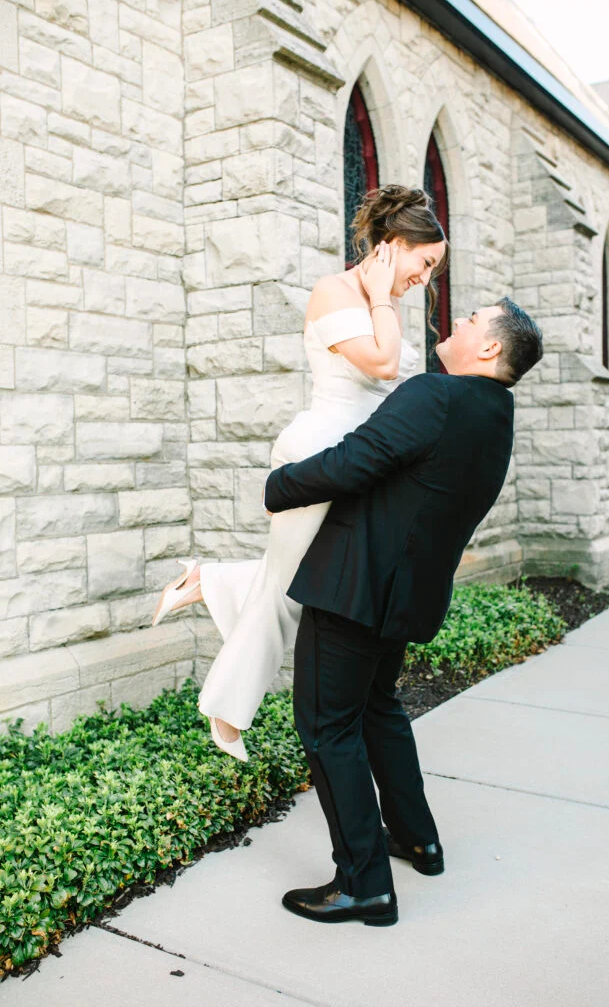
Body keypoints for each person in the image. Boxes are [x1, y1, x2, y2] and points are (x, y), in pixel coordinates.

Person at [263, 297, 543, 926]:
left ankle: (364, 884)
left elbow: (357, 459)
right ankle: (418, 839)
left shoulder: (435, 395)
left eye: (473, 321)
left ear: (491, 348)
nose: (457, 321)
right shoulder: (496, 414)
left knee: (327, 725)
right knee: (378, 709)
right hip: (407, 594)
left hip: (355, 586)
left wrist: (278, 486)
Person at [150, 185, 448, 761]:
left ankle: (204, 581)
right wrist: (384, 297)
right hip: (319, 454)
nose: (427, 278)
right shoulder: (335, 292)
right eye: (426, 262)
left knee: (304, 578)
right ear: (393, 245)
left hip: (361, 461)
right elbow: (384, 365)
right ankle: (227, 712)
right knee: (288, 591)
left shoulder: (380, 301)